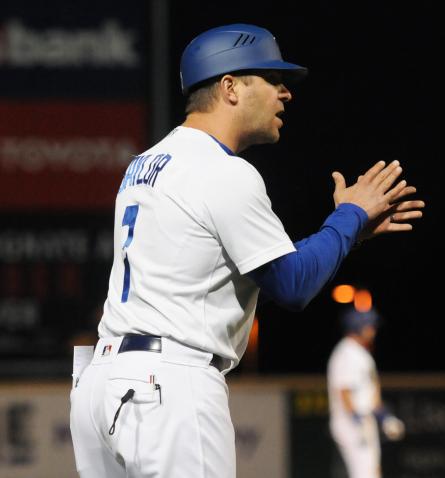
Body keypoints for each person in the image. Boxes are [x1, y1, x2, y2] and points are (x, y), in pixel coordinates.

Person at [69, 23, 423, 478]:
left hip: (101, 383)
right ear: (230, 86)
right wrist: (348, 216)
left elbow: (252, 267)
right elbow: (292, 285)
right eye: (271, 79)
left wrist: (345, 233)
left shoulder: (145, 163)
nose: (285, 94)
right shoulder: (222, 171)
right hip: (171, 385)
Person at [327, 307, 406, 478]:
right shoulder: (346, 352)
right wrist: (357, 420)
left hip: (363, 420)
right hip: (351, 423)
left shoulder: (361, 353)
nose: (373, 329)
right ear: (358, 326)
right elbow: (344, 391)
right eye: (370, 325)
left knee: (372, 472)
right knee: (365, 474)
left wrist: (385, 418)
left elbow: (372, 395)